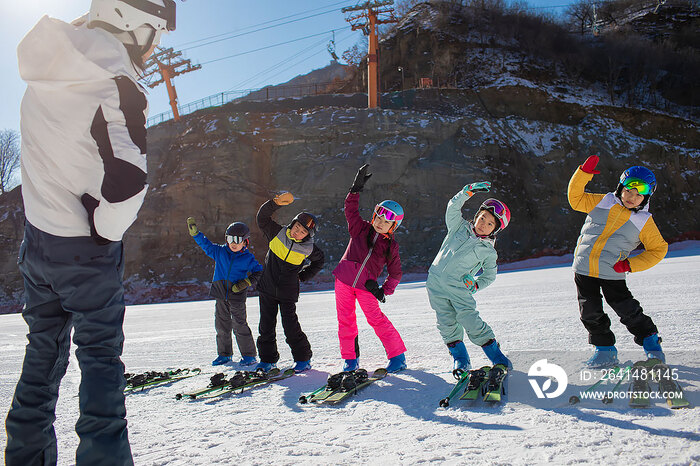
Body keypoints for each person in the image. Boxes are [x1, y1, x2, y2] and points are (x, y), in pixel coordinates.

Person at [5, 1, 176, 464]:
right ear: (131, 23)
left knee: (41, 357)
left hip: (38, 243)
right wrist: (104, 229)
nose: (152, 47)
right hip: (85, 249)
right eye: (153, 35)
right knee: (99, 359)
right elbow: (129, 182)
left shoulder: (47, 69)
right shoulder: (116, 84)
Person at [568, 155, 668, 368]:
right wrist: (583, 174)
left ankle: (651, 344)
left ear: (646, 197)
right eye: (628, 191)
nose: (632, 197)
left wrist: (631, 265)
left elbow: (658, 249)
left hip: (612, 272)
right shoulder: (603, 202)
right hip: (583, 270)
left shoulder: (644, 221)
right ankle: (604, 350)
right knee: (590, 313)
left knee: (628, 311)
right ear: (620, 188)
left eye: (639, 194)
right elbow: (575, 198)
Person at [426, 181, 513, 372]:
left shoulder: (488, 252)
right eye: (482, 218)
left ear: (494, 230)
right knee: (446, 323)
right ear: (476, 216)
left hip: (459, 289)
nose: (483, 224)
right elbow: (453, 207)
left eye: (490, 223)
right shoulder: (458, 227)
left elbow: (489, 275)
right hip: (435, 284)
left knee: (470, 321)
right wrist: (466, 192)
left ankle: (496, 356)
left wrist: (475, 286)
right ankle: (461, 359)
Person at [332, 164, 408, 373]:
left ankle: (397, 357)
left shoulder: (390, 246)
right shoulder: (360, 228)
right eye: (379, 218)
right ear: (374, 216)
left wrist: (384, 290)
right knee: (345, 321)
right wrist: (355, 190)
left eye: (386, 222)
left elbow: (396, 273)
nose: (381, 223)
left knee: (376, 319)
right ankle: (350, 360)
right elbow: (350, 210)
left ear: (394, 226)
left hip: (367, 286)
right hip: (344, 281)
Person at [254, 192, 325, 373]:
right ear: (293, 224)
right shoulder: (276, 233)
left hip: (288, 292)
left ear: (308, 235)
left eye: (303, 232)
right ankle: (267, 360)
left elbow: (320, 261)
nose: (298, 232)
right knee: (266, 326)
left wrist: (304, 276)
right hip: (267, 288)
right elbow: (262, 217)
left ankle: (302, 359)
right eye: (297, 227)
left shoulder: (308, 248)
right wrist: (275, 203)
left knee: (290, 326)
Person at [187, 218, 263, 367]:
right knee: (221, 326)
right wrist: (196, 234)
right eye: (230, 239)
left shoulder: (247, 258)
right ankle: (224, 354)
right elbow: (206, 244)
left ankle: (249, 355)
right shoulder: (219, 251)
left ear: (245, 242)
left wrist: (245, 283)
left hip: (237, 296)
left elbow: (259, 271)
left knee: (239, 325)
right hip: (221, 294)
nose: (233, 243)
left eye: (237, 240)